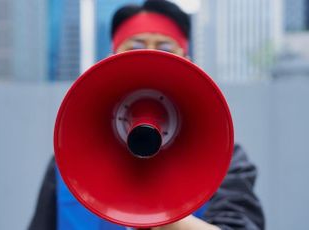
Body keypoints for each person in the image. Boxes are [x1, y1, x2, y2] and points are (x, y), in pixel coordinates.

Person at [29, 1, 265, 229]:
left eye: (165, 49)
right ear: (111, 60)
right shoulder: (68, 164)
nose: (150, 56)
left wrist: (159, 214)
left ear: (187, 62)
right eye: (135, 48)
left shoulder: (224, 156)